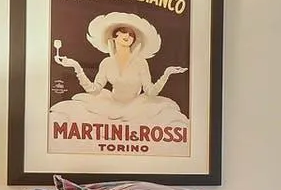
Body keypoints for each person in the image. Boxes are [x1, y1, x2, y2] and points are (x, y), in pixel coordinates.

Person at [50, 11, 189, 127]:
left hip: (137, 106)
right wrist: (76, 66)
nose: (128, 36)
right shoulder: (107, 62)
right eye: (124, 33)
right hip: (110, 105)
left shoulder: (141, 63)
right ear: (114, 37)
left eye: (131, 35)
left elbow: (150, 92)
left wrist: (167, 73)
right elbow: (93, 89)